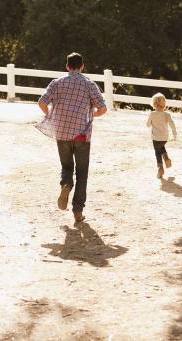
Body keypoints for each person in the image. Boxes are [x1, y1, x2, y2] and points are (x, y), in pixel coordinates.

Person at [37, 52, 107, 222]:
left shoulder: (57, 83)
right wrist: (92, 115)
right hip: (82, 135)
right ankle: (78, 212)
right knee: (82, 173)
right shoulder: (89, 84)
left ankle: (66, 184)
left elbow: (42, 102)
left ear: (67, 66)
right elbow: (103, 108)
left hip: (61, 132)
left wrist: (50, 115)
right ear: (82, 66)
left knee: (66, 166)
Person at [146, 92, 177, 179]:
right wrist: (174, 134)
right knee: (161, 147)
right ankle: (166, 158)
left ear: (154, 104)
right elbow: (172, 124)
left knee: (157, 152)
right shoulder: (167, 114)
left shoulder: (152, 114)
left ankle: (160, 168)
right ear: (164, 104)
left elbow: (148, 125)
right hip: (164, 138)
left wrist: (151, 123)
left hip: (155, 137)